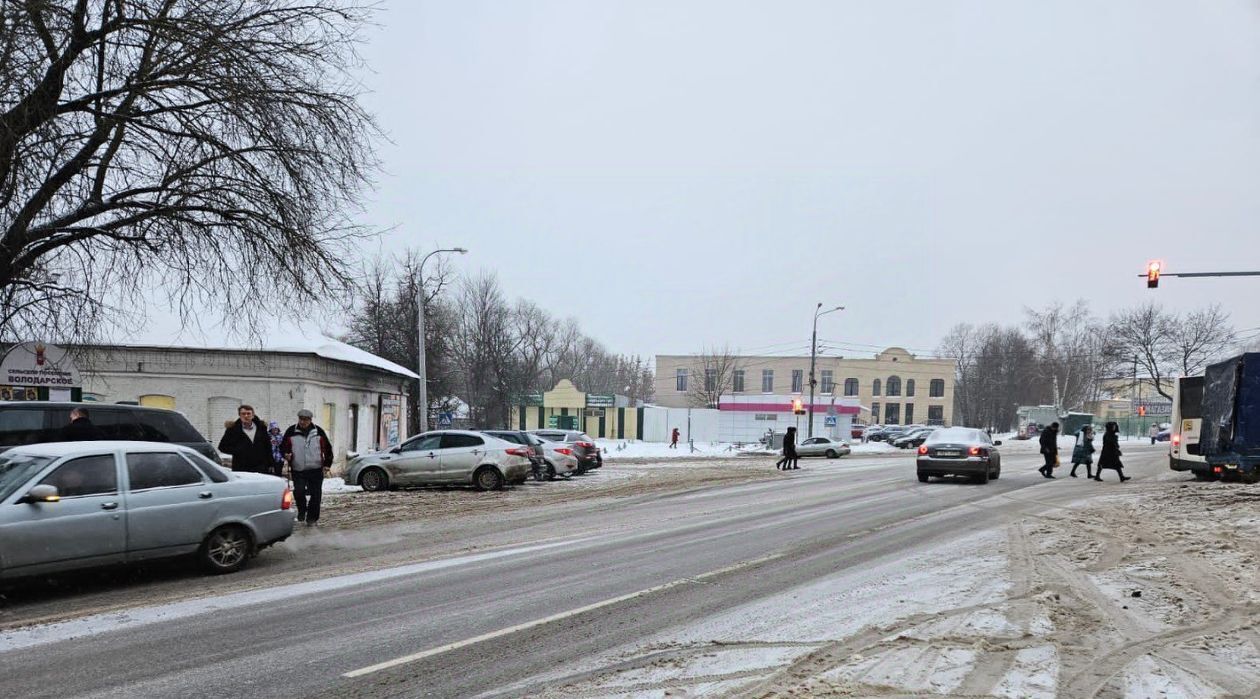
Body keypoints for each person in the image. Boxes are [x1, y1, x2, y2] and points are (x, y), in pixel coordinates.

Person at [281, 409, 333, 525]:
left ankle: (312, 519)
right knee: (298, 492)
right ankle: (302, 510)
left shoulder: (318, 431)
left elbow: (328, 448)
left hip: (316, 468)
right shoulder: (291, 431)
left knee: (316, 495)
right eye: (301, 419)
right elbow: (283, 447)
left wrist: (327, 464)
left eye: (306, 420)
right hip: (298, 468)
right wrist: (286, 454)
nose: (303, 422)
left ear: (310, 420)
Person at [217, 405, 273, 473]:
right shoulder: (233, 430)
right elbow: (222, 447)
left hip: (261, 467)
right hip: (241, 467)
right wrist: (238, 451)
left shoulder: (261, 428)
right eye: (243, 414)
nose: (246, 416)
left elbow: (268, 446)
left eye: (248, 413)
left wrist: (271, 464)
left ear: (253, 415)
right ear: (239, 415)